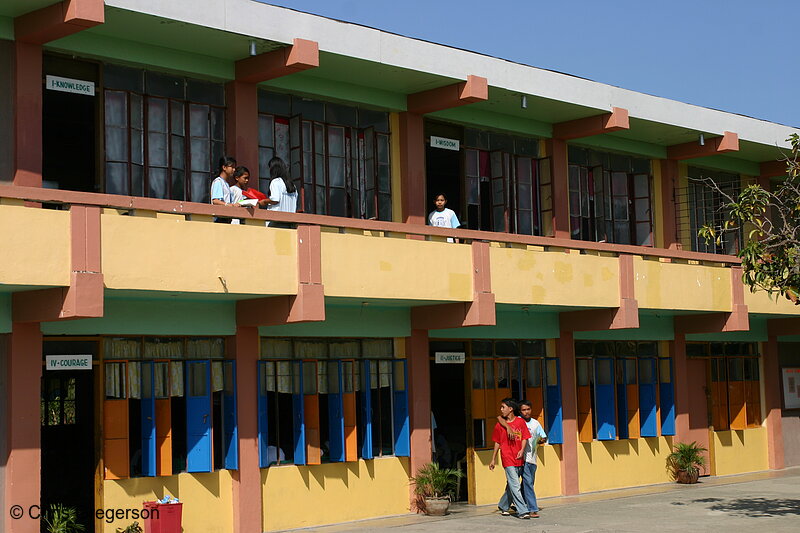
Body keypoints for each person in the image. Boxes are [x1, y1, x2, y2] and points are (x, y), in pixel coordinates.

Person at [497, 400, 547, 518]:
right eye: (523, 410)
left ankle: (504, 505)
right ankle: (531, 509)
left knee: (515, 484)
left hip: (531, 458)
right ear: (519, 411)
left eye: (528, 409)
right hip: (518, 458)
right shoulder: (516, 420)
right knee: (524, 484)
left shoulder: (535, 423)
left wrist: (541, 440)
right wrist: (508, 427)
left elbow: (543, 436)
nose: (526, 412)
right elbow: (499, 418)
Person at [488, 398, 531, 519]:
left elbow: (524, 438)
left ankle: (503, 505)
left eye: (503, 407)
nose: (501, 409)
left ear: (510, 409)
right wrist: (493, 459)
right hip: (507, 458)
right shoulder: (499, 425)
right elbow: (497, 442)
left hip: (518, 457)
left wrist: (522, 451)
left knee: (511, 485)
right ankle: (523, 511)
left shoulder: (520, 422)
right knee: (516, 485)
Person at [264, 157, 298, 227]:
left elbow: (275, 200)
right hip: (290, 222)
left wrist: (264, 201)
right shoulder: (292, 186)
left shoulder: (275, 182)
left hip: (276, 221)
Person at [210, 156, 238, 223]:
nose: (234, 170)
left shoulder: (226, 184)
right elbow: (215, 201)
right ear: (224, 167)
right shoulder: (218, 182)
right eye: (232, 167)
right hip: (219, 218)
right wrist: (227, 205)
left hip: (226, 217)